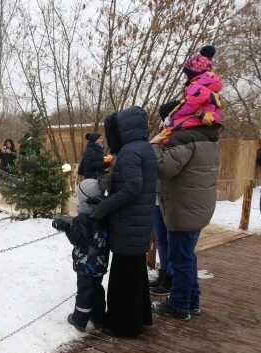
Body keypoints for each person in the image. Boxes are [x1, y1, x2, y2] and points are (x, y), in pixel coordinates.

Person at [90, 106, 156, 338]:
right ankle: (138, 317)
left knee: (123, 277)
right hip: (137, 222)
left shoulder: (129, 152)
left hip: (129, 223)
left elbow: (132, 188)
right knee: (135, 274)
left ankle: (123, 324)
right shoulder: (143, 148)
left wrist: (103, 208)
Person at [149, 108, 221, 320]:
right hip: (196, 206)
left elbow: (163, 169)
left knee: (180, 259)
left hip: (183, 207)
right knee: (186, 256)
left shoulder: (185, 140)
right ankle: (192, 302)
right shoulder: (209, 138)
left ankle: (179, 306)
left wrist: (154, 145)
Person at [52, 178, 110, 332]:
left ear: (83, 197)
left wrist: (67, 228)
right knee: (97, 288)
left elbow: (78, 240)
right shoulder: (103, 214)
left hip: (86, 263)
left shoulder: (82, 219)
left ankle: (79, 319)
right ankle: (99, 318)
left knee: (84, 290)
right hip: (101, 261)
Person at [150, 100, 181, 296]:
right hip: (156, 196)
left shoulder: (179, 139)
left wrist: (154, 146)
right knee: (161, 238)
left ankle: (171, 276)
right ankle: (164, 273)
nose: (164, 123)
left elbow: (165, 168)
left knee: (172, 240)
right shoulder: (163, 134)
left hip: (171, 197)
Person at [161, 45, 223, 141]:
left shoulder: (198, 87)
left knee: (171, 128)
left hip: (202, 118)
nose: (186, 77)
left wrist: (170, 117)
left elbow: (189, 105)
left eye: (187, 74)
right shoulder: (208, 85)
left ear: (193, 73)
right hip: (208, 119)